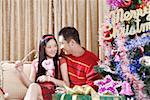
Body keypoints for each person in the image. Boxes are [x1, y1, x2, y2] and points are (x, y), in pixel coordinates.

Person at [15, 34, 70, 100]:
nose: (53, 49)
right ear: (43, 48)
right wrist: (21, 71)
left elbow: (67, 84)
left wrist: (49, 79)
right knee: (33, 86)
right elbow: (30, 84)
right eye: (49, 47)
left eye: (55, 46)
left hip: (54, 92)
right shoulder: (36, 63)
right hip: (39, 92)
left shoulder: (61, 61)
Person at [58, 26, 101, 91]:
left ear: (72, 43)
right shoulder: (64, 54)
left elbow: (92, 87)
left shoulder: (92, 61)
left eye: (62, 43)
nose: (61, 47)